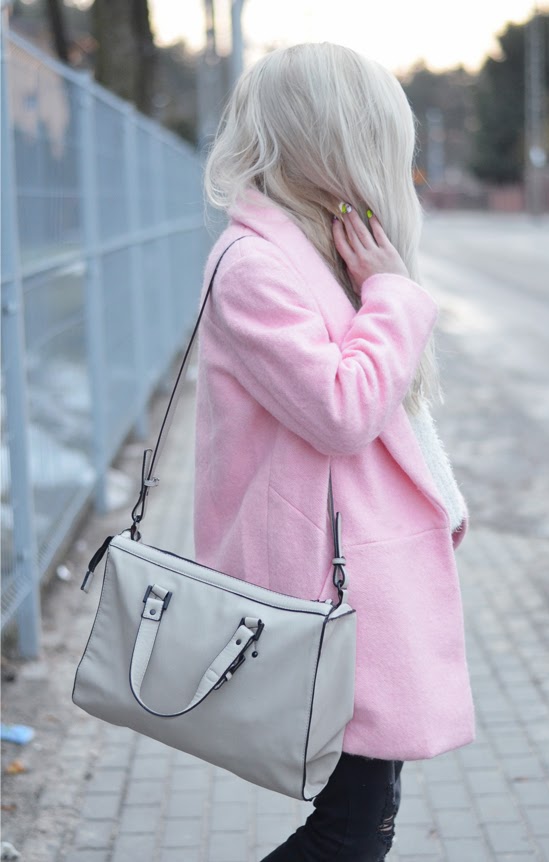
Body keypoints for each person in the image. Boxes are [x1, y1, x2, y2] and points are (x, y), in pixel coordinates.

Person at [194, 42, 475, 861]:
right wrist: (391, 295)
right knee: (352, 832)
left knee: (361, 823)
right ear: (336, 138)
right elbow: (344, 410)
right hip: (328, 593)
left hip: (359, 583)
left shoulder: (316, 249)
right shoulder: (253, 265)